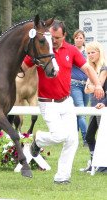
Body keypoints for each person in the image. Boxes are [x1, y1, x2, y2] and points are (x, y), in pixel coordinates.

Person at [22, 20, 104, 184]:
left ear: (64, 35)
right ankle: (38, 139)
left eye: (57, 37)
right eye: (51, 36)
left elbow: (87, 68)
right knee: (59, 136)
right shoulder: (41, 48)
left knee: (72, 140)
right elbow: (23, 66)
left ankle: (62, 177)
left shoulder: (72, 50)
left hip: (66, 101)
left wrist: (97, 85)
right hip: (47, 102)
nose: (54, 40)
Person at [80, 41, 107, 173]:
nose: (90, 55)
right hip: (94, 106)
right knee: (89, 136)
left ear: (99, 52)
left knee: (104, 136)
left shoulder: (104, 68)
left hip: (103, 106)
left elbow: (99, 87)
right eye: (88, 53)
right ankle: (94, 162)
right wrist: (93, 86)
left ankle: (103, 164)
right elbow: (87, 90)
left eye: (93, 52)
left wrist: (93, 86)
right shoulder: (91, 69)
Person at [70, 30, 89, 146]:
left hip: (86, 85)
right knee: (81, 111)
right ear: (74, 39)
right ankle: (86, 139)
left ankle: (74, 137)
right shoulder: (71, 51)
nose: (78, 39)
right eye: (76, 37)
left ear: (84, 39)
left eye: (81, 37)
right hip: (74, 84)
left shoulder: (88, 52)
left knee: (79, 112)